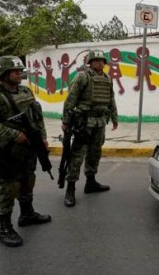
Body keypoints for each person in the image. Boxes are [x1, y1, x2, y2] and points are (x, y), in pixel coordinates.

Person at [0, 56, 52, 247]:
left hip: (29, 147)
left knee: (29, 179)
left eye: (20, 71)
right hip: (7, 150)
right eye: (15, 71)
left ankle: (27, 213)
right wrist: (13, 134)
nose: (20, 74)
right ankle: (5, 228)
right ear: (2, 74)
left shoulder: (25, 91)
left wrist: (42, 138)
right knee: (9, 187)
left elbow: (37, 117)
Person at [61, 50, 118, 207]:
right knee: (77, 156)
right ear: (90, 62)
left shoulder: (107, 79)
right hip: (83, 123)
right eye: (96, 60)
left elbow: (111, 99)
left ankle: (90, 183)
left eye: (102, 60)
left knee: (95, 154)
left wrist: (114, 117)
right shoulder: (82, 76)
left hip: (100, 122)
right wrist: (66, 121)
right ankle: (70, 189)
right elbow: (70, 100)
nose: (100, 63)